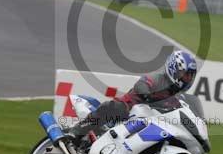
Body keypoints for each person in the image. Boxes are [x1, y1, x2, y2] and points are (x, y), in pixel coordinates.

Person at [68, 50, 198, 141]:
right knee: (112, 107)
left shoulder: (177, 96)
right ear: (173, 68)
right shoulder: (159, 79)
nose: (187, 79)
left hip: (149, 121)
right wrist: (147, 95)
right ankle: (77, 131)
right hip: (129, 109)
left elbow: (180, 110)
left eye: (190, 76)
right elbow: (142, 83)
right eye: (184, 74)